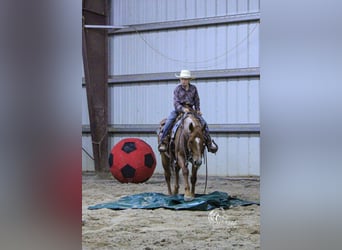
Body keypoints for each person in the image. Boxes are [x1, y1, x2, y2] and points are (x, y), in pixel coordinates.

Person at [158, 69, 218, 153]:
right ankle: (163, 141)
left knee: (203, 123)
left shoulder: (194, 88)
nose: (183, 81)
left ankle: (209, 142)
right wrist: (182, 109)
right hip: (179, 110)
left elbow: (197, 100)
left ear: (189, 80)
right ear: (180, 79)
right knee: (169, 120)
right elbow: (176, 102)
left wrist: (197, 109)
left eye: (185, 79)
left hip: (191, 110)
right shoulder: (177, 89)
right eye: (182, 79)